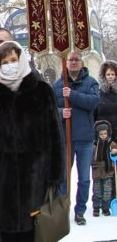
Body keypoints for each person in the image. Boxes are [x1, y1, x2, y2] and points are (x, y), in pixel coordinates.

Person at [0, 41, 63, 242]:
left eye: (13, 60)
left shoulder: (41, 90)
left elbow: (55, 135)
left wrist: (55, 175)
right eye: (4, 62)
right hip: (5, 181)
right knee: (8, 233)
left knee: (34, 232)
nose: (9, 65)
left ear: (22, 60)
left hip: (36, 178)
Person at [52, 50, 99, 226]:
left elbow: (93, 103)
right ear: (65, 63)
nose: (73, 62)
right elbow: (49, 110)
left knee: (85, 178)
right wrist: (60, 112)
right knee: (64, 178)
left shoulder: (91, 83)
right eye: (70, 59)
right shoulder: (57, 85)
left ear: (81, 62)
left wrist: (72, 95)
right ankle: (63, 209)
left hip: (85, 138)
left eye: (76, 60)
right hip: (66, 138)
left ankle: (80, 211)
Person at [91, 121, 117, 217]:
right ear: (97, 134)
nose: (103, 136)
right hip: (97, 171)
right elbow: (91, 158)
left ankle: (105, 208)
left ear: (108, 133)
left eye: (105, 133)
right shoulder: (94, 145)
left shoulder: (111, 144)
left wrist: (115, 151)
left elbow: (115, 152)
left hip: (108, 171)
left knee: (107, 190)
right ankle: (96, 207)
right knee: (97, 190)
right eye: (101, 134)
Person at [96, 60, 117, 141]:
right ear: (104, 76)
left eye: (113, 74)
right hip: (103, 134)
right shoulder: (98, 93)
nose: (110, 76)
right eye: (108, 74)